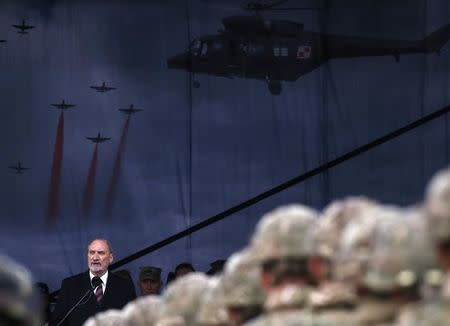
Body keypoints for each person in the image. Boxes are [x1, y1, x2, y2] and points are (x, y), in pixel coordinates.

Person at [51, 239, 136, 326]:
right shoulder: (70, 285)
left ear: (110, 258)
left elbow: (133, 322)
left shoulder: (124, 286)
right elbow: (58, 322)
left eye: (101, 253)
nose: (95, 258)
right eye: (92, 252)